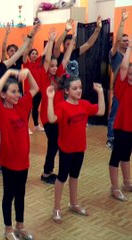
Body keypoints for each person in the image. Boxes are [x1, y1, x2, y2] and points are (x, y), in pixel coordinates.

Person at [0, 23, 40, 184]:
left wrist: (31, 35)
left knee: (6, 138)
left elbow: (19, 51)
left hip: (6, 109)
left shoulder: (4, 66)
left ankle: (0, 163)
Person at [48, 75, 105, 224]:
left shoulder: (84, 104)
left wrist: (100, 93)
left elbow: (101, 111)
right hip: (66, 149)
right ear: (66, 91)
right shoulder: (62, 106)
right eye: (75, 88)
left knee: (74, 176)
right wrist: (49, 99)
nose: (79, 90)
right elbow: (52, 118)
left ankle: (73, 204)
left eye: (80, 87)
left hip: (80, 149)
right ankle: (56, 208)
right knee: (62, 178)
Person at [0, 67, 39, 240]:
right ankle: (8, 229)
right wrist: (9, 73)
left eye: (18, 91)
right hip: (8, 161)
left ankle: (20, 226)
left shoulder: (22, 105)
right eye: (13, 92)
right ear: (5, 95)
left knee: (21, 194)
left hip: (23, 160)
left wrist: (29, 73)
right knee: (9, 195)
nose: (18, 95)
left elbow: (34, 89)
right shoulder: (1, 110)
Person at [38, 29, 75, 184]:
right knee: (53, 144)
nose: (53, 67)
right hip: (48, 117)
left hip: (59, 116)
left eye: (55, 65)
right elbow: (46, 61)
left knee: (58, 144)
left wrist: (73, 41)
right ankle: (46, 173)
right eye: (51, 65)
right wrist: (51, 40)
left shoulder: (58, 77)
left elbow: (65, 58)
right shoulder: (43, 78)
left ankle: (50, 171)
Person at [108, 42, 132, 201]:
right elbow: (123, 68)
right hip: (121, 128)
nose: (131, 76)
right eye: (130, 74)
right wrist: (129, 49)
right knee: (116, 157)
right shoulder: (121, 86)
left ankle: (127, 182)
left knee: (127, 155)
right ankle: (115, 188)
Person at [106, 9, 129, 150]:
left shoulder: (127, 54)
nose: (126, 42)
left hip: (128, 89)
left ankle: (121, 135)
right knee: (114, 114)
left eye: (128, 41)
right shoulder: (114, 54)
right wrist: (123, 21)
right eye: (124, 40)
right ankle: (110, 138)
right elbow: (117, 40)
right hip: (118, 90)